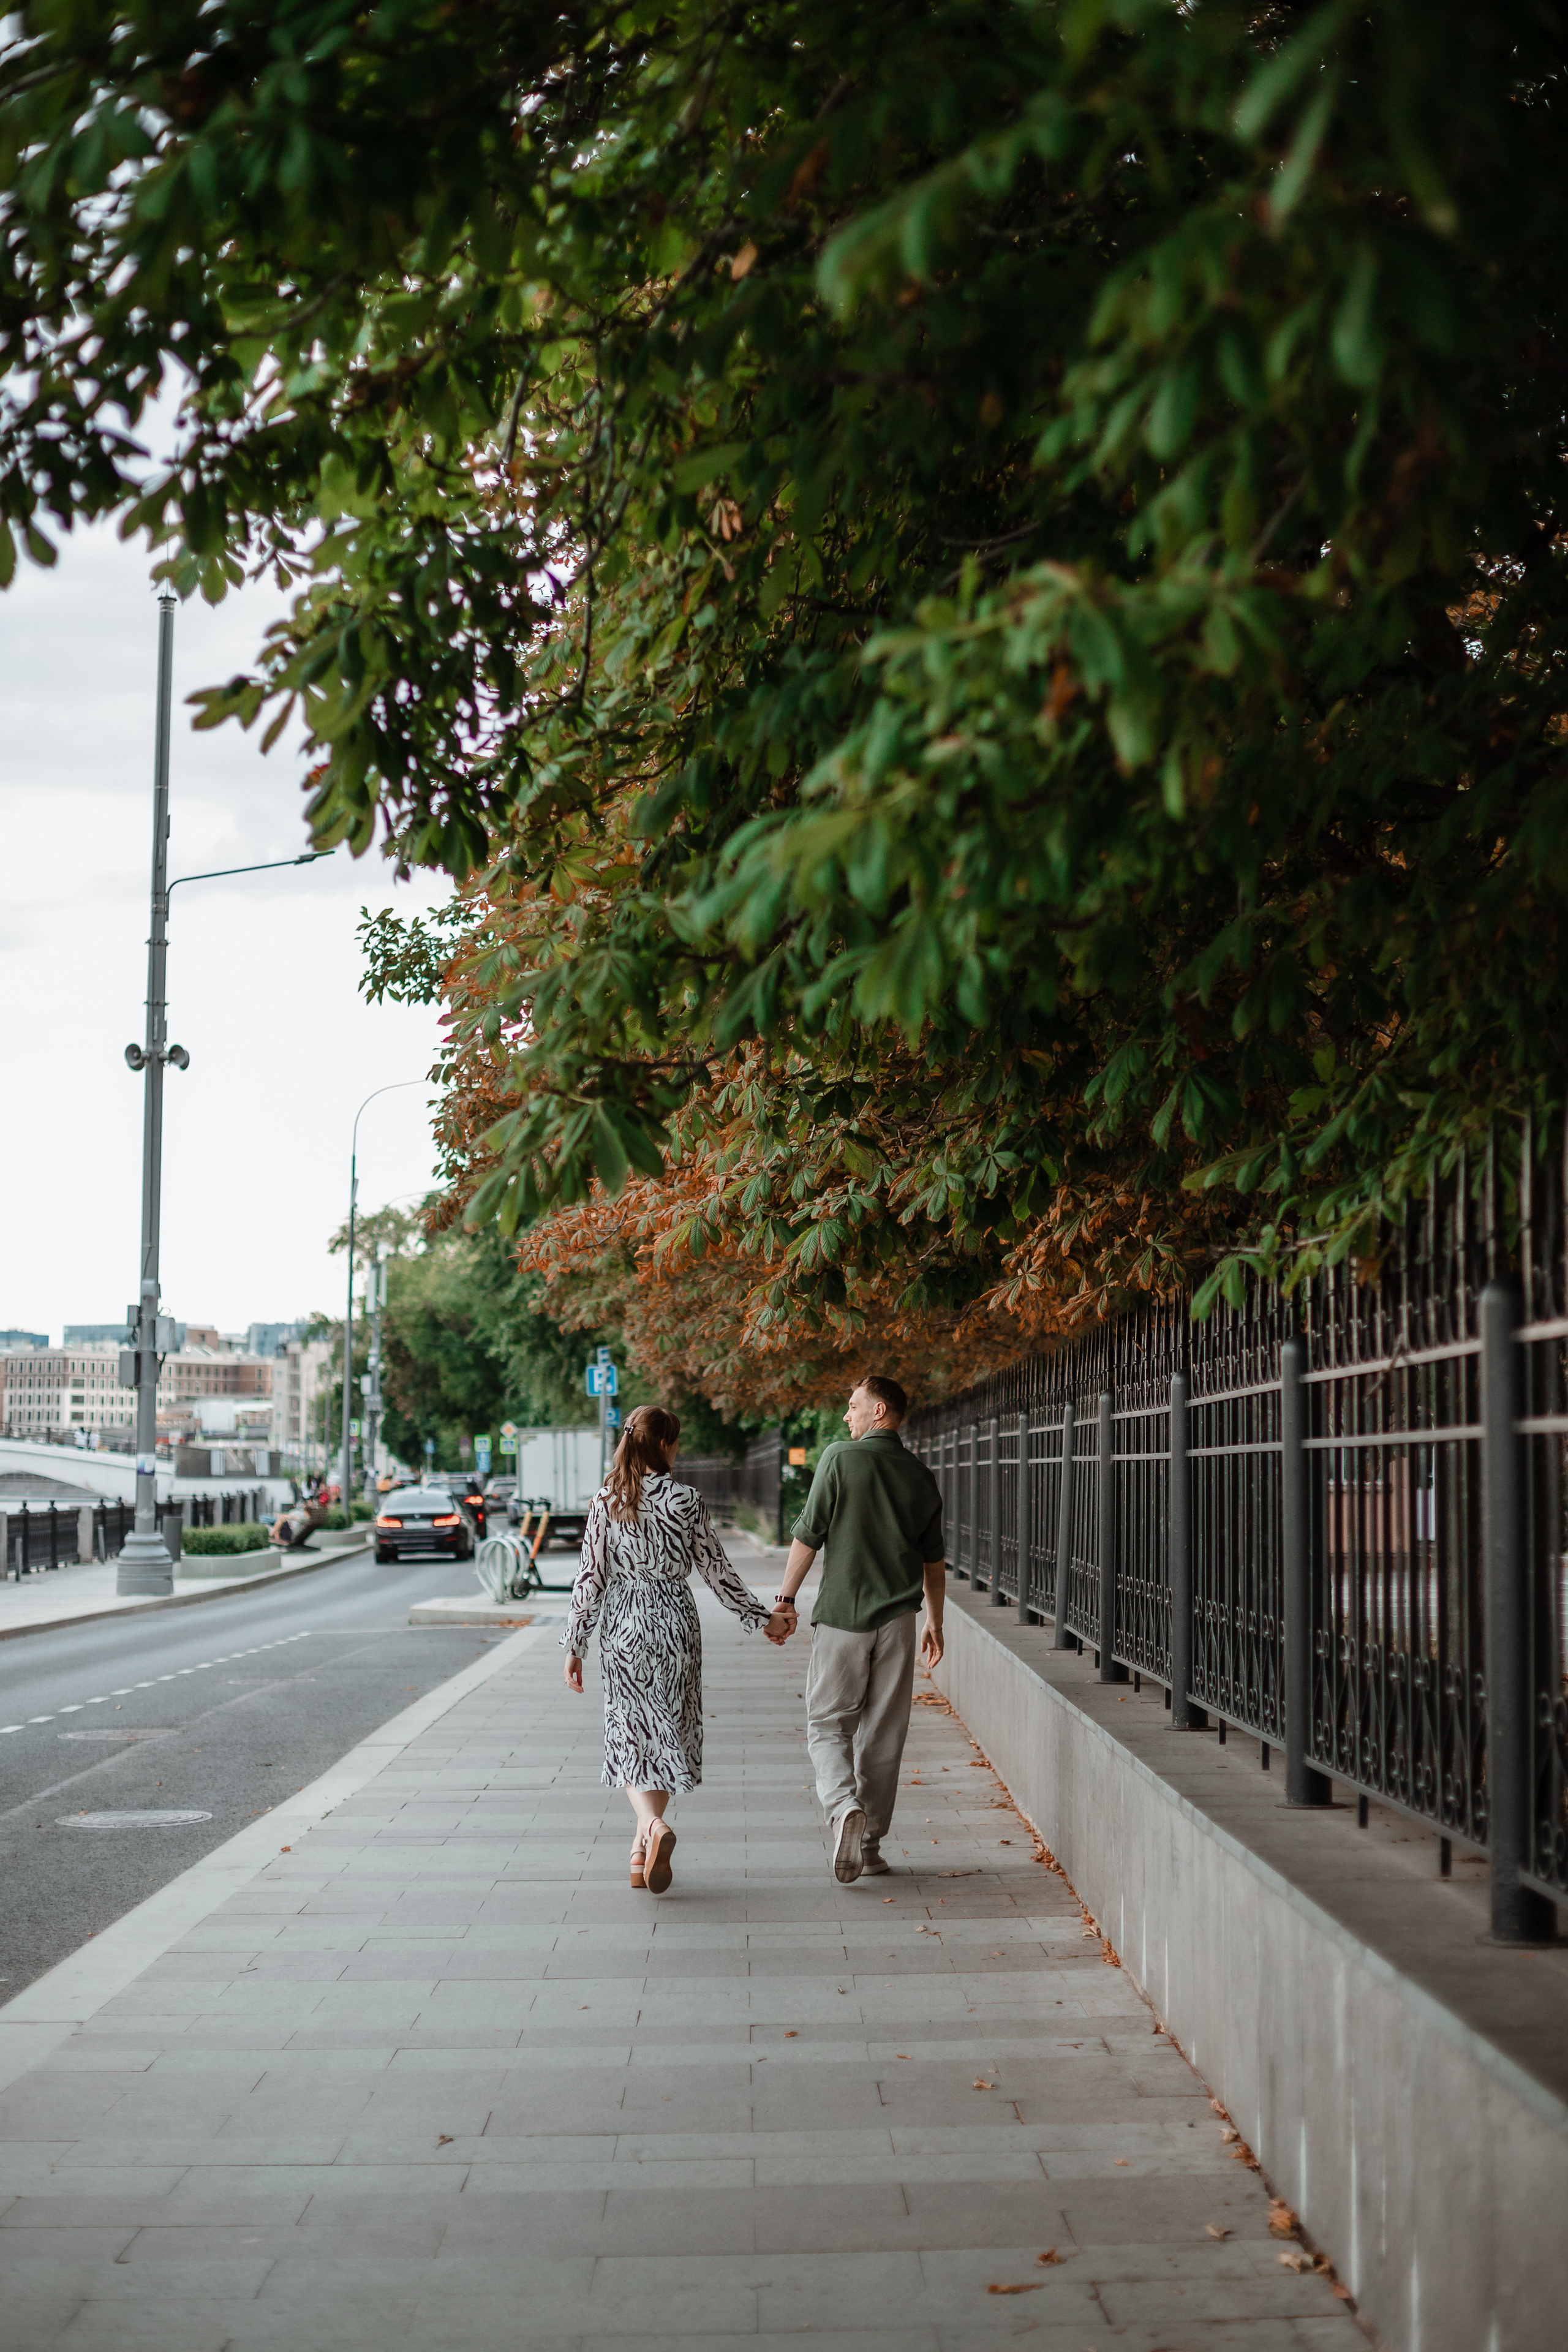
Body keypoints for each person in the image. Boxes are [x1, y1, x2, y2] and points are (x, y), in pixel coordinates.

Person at [562, 1405, 793, 1893]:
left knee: (631, 1736)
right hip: (675, 1624)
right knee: (668, 1733)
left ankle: (647, 1833)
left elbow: (590, 1577)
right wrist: (763, 1618)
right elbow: (716, 1569)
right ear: (666, 1444)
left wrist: (575, 1643)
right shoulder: (686, 1499)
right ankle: (643, 1844)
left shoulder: (606, 1500)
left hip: (624, 1626)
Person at [771, 1374, 946, 1883]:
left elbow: (808, 1533)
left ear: (881, 1412)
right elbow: (933, 1561)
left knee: (828, 1725)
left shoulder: (839, 1459)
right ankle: (868, 1847)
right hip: (899, 1622)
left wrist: (784, 1599)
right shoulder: (920, 1475)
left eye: (854, 1407)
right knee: (884, 1735)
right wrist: (936, 1620)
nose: (847, 1416)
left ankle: (844, 1806)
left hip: (845, 1618)